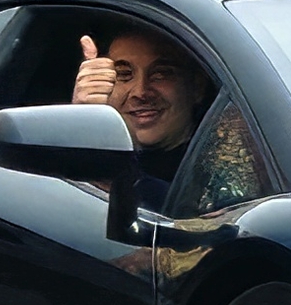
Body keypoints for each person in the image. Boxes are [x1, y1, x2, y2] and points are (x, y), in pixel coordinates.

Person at [71, 25, 210, 206]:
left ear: (197, 87)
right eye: (124, 74)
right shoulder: (71, 162)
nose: (141, 92)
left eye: (160, 74)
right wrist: (83, 126)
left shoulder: (220, 165)